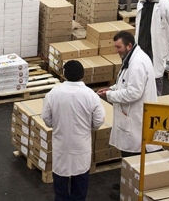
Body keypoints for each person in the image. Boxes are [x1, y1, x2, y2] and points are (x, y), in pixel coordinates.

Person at [42, 60, 105, 201]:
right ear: (82, 75)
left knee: (60, 187)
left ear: (64, 74)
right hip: (81, 147)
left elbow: (46, 118)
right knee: (80, 185)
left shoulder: (53, 94)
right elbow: (99, 120)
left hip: (61, 146)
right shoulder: (90, 95)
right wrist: (89, 128)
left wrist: (57, 125)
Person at [97, 31, 158, 165]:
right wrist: (112, 89)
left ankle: (133, 177)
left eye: (119, 47)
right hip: (132, 117)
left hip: (136, 118)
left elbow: (133, 92)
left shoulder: (137, 64)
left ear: (129, 45)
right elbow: (125, 82)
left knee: (134, 159)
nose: (116, 51)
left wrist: (109, 95)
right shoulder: (131, 58)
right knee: (131, 156)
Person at [135, 0, 169, 96]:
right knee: (142, 73)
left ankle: (157, 99)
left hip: (156, 46)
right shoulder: (141, 3)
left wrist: (164, 36)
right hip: (142, 44)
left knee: (156, 76)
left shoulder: (164, 4)